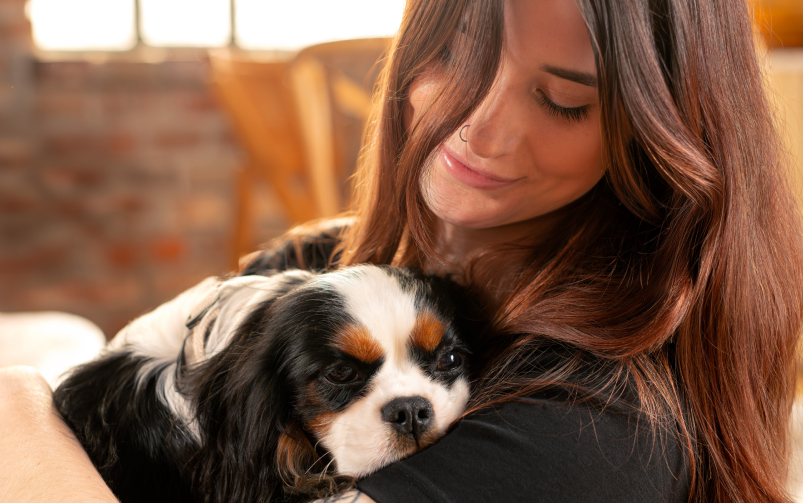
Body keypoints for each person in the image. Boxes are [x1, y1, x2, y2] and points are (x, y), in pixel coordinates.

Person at [1, 0, 801, 501]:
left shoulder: (593, 426)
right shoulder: (320, 267)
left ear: (657, 135)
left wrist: (18, 412)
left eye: (561, 100)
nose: (478, 126)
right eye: (454, 54)